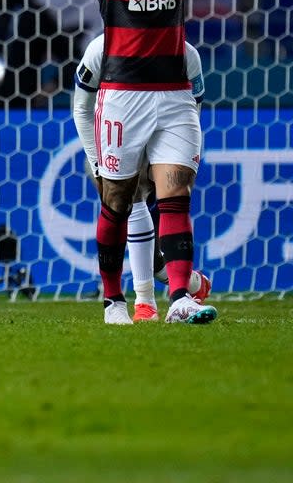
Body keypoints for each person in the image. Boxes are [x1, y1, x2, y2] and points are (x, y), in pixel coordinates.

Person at [71, 0, 238, 325]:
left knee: (176, 193)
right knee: (118, 200)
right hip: (123, 95)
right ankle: (114, 300)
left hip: (176, 94)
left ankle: (180, 297)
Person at [72, 33, 212, 323]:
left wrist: (180, 151)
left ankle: (173, 291)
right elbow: (81, 108)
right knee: (128, 203)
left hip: (161, 136)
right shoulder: (101, 49)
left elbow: (193, 108)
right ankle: (145, 301)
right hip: (113, 138)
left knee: (170, 204)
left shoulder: (187, 55)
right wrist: (97, 161)